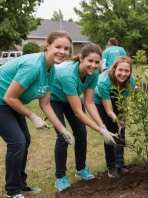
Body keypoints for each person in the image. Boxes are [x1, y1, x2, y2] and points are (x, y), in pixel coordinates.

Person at [0, 31, 74, 198]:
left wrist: (62, 130)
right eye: (58, 47)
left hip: (10, 99)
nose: (62, 51)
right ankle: (12, 192)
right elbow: (9, 97)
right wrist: (33, 117)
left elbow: (45, 104)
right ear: (48, 46)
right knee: (17, 142)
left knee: (25, 140)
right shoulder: (33, 66)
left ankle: (20, 185)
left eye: (66, 48)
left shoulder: (51, 69)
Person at [50, 43, 117, 191]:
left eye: (97, 62)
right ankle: (60, 178)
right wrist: (101, 131)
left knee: (81, 133)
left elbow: (89, 102)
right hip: (53, 98)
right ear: (81, 58)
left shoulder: (93, 75)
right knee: (63, 136)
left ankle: (80, 169)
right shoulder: (68, 75)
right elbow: (78, 113)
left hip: (70, 98)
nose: (93, 65)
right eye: (90, 61)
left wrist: (103, 126)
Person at [94, 56, 135, 178]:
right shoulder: (104, 82)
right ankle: (111, 166)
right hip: (101, 101)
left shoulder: (131, 81)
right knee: (111, 131)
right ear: (114, 69)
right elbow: (109, 110)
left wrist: (122, 121)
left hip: (118, 97)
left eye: (127, 71)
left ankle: (120, 164)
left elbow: (123, 104)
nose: (123, 74)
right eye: (120, 70)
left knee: (122, 130)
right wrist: (116, 122)